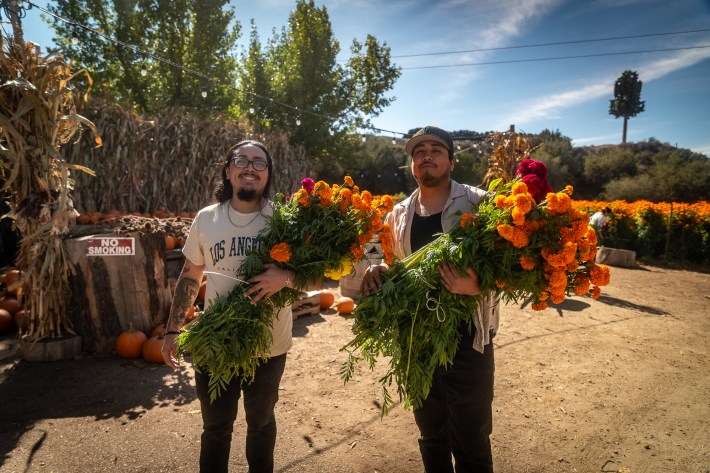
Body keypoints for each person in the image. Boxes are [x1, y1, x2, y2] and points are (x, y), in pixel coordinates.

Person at [361, 126, 499, 473]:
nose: (426, 155)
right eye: (418, 151)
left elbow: (512, 266)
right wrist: (374, 268)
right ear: (412, 164)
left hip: (470, 338)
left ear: (451, 161)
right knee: (431, 434)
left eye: (435, 150)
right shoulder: (399, 212)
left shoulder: (480, 202)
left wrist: (478, 285)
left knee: (471, 437)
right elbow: (378, 250)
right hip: (416, 338)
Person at [161, 140, 297, 473]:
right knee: (216, 428)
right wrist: (172, 329)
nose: (250, 167)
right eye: (242, 160)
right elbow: (190, 275)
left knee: (262, 424)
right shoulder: (206, 219)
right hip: (215, 341)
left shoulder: (285, 219)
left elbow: (317, 273)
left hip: (269, 343)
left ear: (268, 175)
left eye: (259, 163)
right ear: (228, 170)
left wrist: (286, 277)